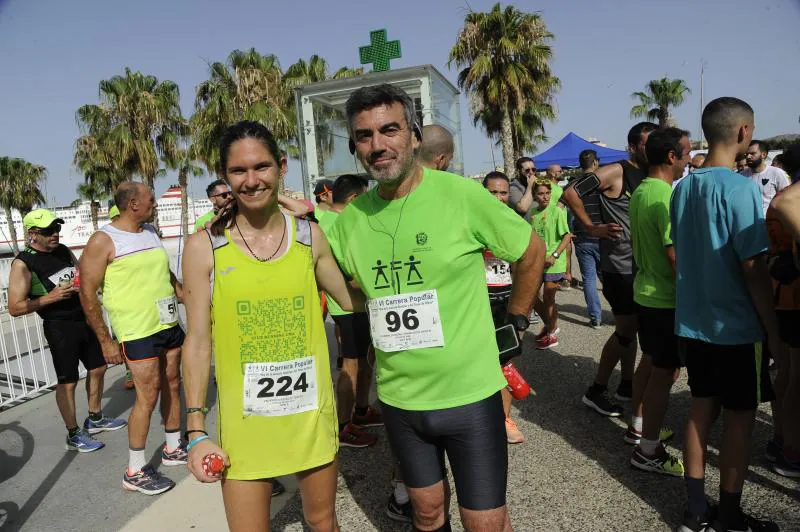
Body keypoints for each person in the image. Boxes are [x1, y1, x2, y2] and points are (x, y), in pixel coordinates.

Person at [330, 84, 545, 531]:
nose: (378, 145)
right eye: (365, 136)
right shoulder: (350, 222)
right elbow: (345, 286)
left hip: (470, 395)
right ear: (355, 147)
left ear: (413, 136)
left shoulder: (460, 196)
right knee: (426, 514)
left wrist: (517, 321)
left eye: (389, 130)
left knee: (485, 522)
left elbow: (530, 251)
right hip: (400, 399)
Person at [181, 121, 362, 532]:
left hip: (309, 418)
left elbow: (353, 302)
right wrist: (195, 431)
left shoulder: (309, 237)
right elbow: (197, 343)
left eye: (261, 167)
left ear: (281, 167)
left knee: (323, 524)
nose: (251, 180)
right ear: (225, 176)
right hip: (245, 428)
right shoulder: (204, 246)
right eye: (239, 171)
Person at [671, 97, 781, 532]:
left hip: (693, 322)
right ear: (743, 133)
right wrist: (770, 327)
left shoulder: (684, 188)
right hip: (735, 326)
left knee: (701, 412)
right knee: (740, 419)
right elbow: (753, 266)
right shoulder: (742, 189)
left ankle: (696, 512)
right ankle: (731, 516)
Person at [80, 182, 186, 495]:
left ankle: (172, 447)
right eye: (151, 199)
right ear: (132, 204)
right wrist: (106, 341)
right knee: (148, 394)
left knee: (173, 383)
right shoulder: (103, 240)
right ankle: (135, 470)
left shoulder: (151, 231)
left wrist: (184, 296)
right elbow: (87, 294)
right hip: (137, 330)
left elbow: (165, 273)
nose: (155, 203)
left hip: (167, 322)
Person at [7, 209, 126, 453]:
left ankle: (95, 418)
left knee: (98, 367)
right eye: (49, 231)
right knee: (68, 382)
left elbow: (81, 272)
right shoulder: (23, 263)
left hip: (83, 317)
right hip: (59, 326)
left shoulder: (62, 251)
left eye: (57, 228)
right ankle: (73, 434)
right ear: (33, 234)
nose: (55, 234)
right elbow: (14, 307)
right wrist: (49, 298)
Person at [563, 121, 658, 417]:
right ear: (632, 146)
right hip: (621, 266)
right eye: (647, 144)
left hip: (642, 265)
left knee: (629, 331)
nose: (653, 149)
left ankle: (627, 383)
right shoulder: (617, 171)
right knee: (627, 331)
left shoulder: (652, 173)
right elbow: (570, 193)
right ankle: (596, 390)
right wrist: (592, 227)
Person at [627, 128, 691, 476]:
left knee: (650, 364)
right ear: (671, 157)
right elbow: (674, 256)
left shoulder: (641, 190)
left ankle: (639, 425)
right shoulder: (665, 196)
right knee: (664, 373)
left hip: (646, 294)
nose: (687, 159)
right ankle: (648, 448)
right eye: (686, 152)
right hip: (665, 299)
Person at [317, 174, 381, 449]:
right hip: (347, 305)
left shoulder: (339, 219)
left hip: (361, 304)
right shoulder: (334, 224)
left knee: (366, 360)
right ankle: (343, 426)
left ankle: (362, 410)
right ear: (355, 198)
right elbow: (345, 271)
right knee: (350, 366)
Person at [764, 143, 800, 478]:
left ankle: (781, 439)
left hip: (781, 295)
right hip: (794, 296)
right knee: (794, 377)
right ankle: (791, 449)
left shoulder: (781, 199)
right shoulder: (791, 200)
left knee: (787, 372)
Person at [482, 170, 526, 444]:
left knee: (506, 361)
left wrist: (523, 309)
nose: (498, 198)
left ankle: (505, 419)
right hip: (478, 299)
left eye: (502, 193)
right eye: (492, 192)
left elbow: (527, 265)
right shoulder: (471, 221)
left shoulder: (515, 221)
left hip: (506, 299)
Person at [530, 181, 571, 350]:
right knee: (531, 297)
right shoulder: (533, 213)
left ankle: (552, 335)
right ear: (535, 196)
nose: (545, 196)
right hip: (537, 262)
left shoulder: (556, 211)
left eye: (547, 192)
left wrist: (555, 256)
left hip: (553, 263)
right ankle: (550, 326)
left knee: (549, 299)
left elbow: (567, 236)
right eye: (541, 193)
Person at [571, 150, 603, 328]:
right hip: (601, 234)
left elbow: (563, 208)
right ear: (595, 163)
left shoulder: (572, 185)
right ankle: (619, 312)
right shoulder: (601, 183)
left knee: (589, 279)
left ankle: (595, 318)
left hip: (582, 236)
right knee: (607, 276)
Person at [741, 139, 791, 215]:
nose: (748, 157)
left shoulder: (777, 173)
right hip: (747, 222)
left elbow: (787, 199)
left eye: (752, 153)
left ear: (763, 154)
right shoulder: (741, 175)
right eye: (746, 154)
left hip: (769, 223)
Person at [545, 164, 572, 290]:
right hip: (556, 227)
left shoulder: (557, 187)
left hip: (564, 224)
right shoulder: (549, 188)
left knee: (568, 250)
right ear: (551, 173)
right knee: (562, 249)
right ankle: (561, 277)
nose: (562, 172)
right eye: (560, 171)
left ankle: (566, 276)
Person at [508, 156, 537, 222]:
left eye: (533, 169)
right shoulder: (513, 187)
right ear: (519, 171)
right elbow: (523, 208)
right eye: (527, 170)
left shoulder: (538, 184)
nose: (531, 172)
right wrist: (530, 185)